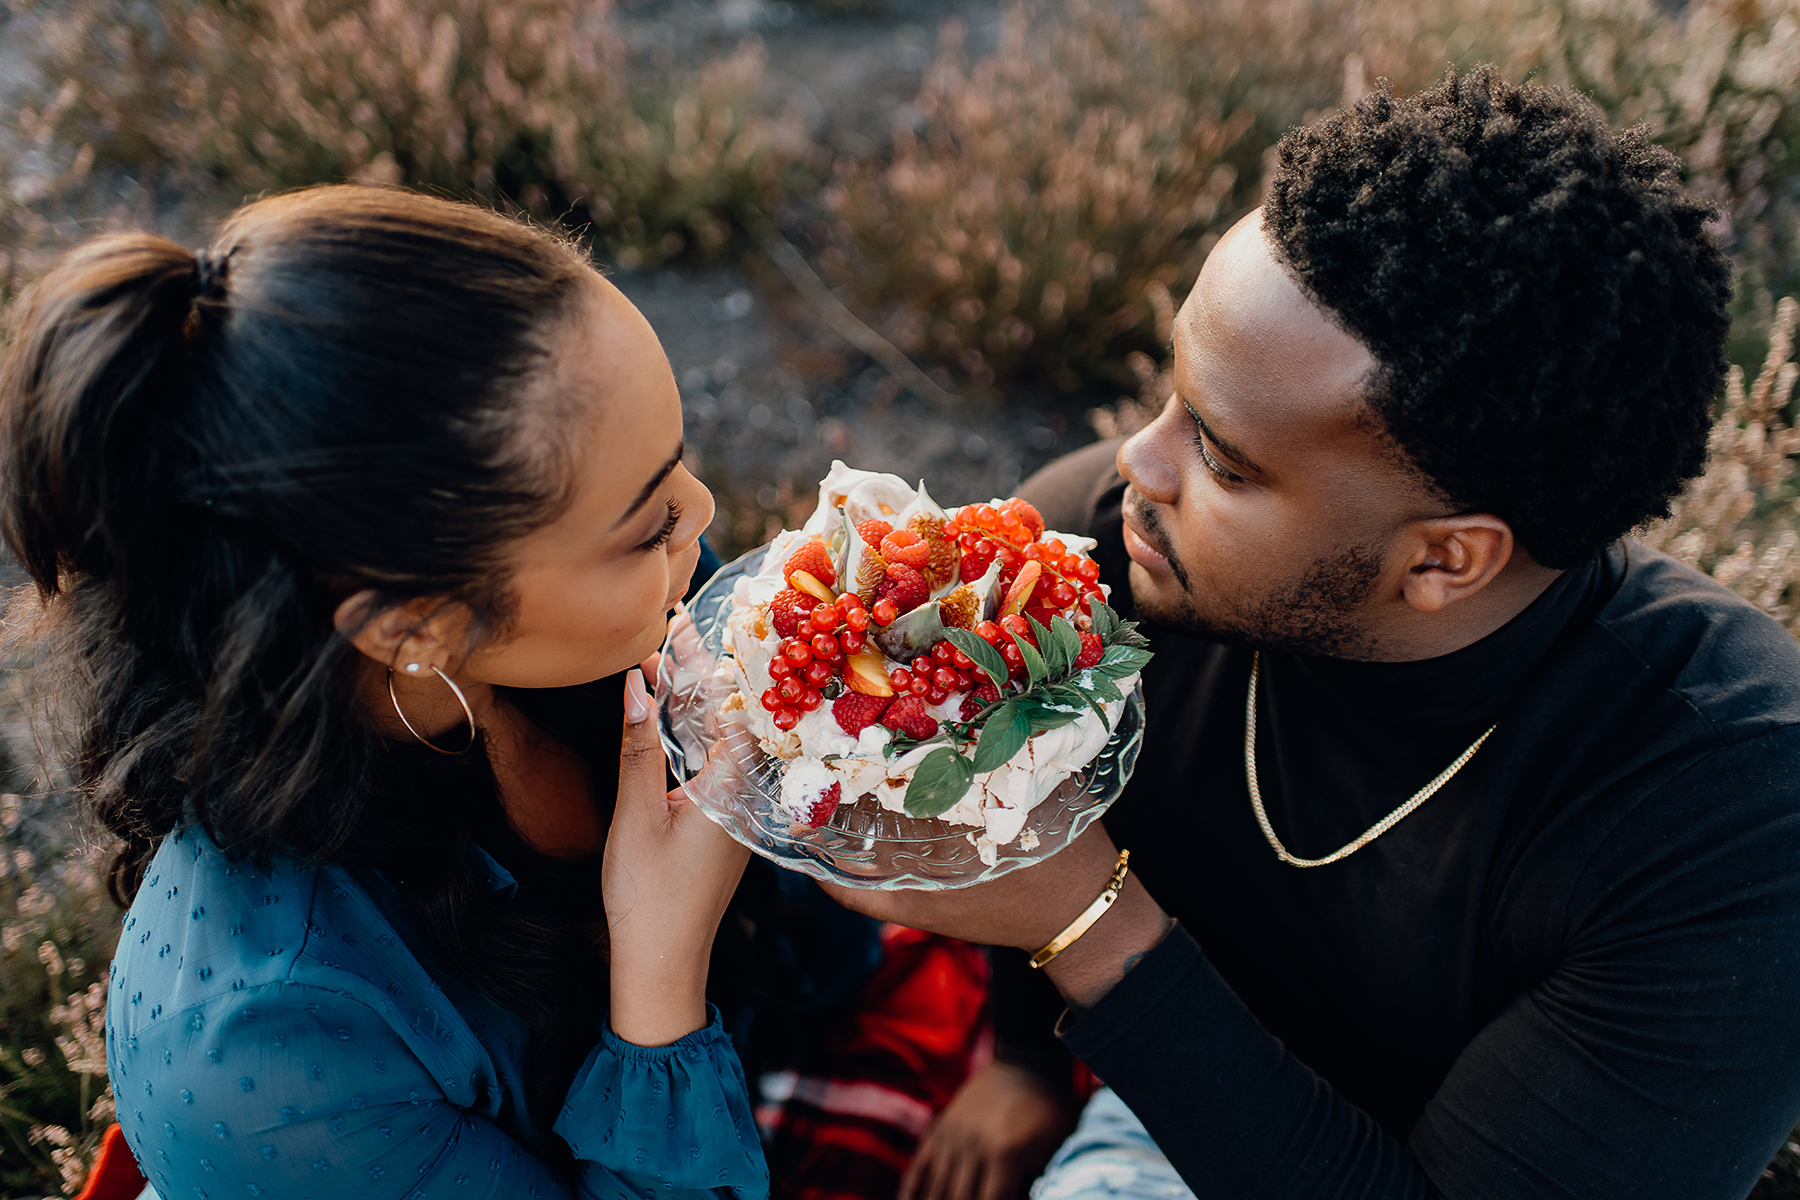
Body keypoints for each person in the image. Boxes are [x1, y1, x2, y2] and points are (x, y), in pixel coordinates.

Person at [840, 69, 1800, 1199]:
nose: (1136, 466)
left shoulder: (1733, 821)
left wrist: (1085, 925)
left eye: (1223, 459)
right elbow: (1015, 797)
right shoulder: (1106, 548)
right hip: (1172, 1090)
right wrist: (1023, 1062)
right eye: (1171, 391)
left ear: (1444, 560)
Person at [0, 186, 767, 1199]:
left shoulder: (601, 614)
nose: (704, 520)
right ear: (418, 628)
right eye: (648, 521)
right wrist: (662, 983)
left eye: (677, 469)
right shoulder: (266, 1061)